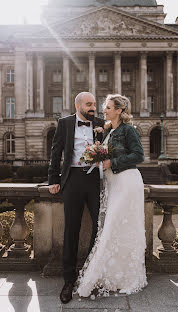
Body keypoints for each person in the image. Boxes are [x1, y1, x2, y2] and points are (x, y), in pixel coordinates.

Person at [76, 94, 147, 297]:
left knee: (120, 227)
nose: (104, 110)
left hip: (126, 182)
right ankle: (115, 276)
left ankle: (130, 278)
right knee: (115, 229)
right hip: (113, 184)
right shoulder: (108, 130)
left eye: (107, 107)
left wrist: (111, 163)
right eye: (104, 107)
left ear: (119, 110)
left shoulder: (128, 130)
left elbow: (139, 155)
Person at [48, 91, 104, 304]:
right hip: (72, 180)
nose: (93, 107)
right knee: (72, 229)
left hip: (95, 181)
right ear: (77, 105)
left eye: (94, 104)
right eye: (89, 104)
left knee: (100, 227)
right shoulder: (64, 123)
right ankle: (68, 280)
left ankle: (89, 274)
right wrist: (53, 179)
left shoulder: (101, 124)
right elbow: (56, 152)